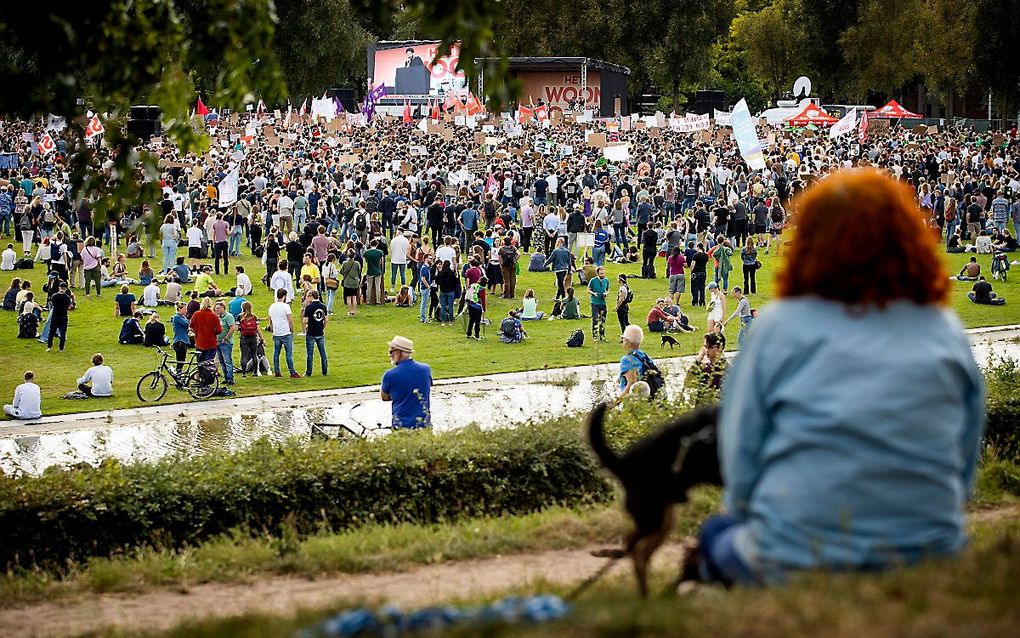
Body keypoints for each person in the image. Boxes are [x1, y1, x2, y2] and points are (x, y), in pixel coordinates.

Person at [695, 169, 984, 587]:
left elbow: (741, 458)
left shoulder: (780, 327)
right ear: (908, 240)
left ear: (811, 242)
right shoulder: (944, 330)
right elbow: (963, 462)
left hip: (797, 553)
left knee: (716, 535)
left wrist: (755, 515)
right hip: (927, 550)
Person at [380, 335, 432, 429]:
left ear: (399, 352)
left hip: (402, 426)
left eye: (391, 351)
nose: (389, 354)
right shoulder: (426, 369)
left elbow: (384, 397)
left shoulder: (390, 375)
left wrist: (399, 395)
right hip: (424, 425)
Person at [268, 288, 300, 377]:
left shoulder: (272, 306)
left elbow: (270, 321)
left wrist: (272, 330)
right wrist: (292, 330)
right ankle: (292, 372)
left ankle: (277, 371)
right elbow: (290, 320)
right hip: (285, 332)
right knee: (288, 353)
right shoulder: (286, 306)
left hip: (276, 332)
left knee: (276, 353)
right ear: (284, 296)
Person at [618, 324, 654, 398]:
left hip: (634, 401)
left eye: (623, 339)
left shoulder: (627, 360)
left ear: (627, 341)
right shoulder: (645, 356)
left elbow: (631, 384)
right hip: (647, 397)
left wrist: (612, 404)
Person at [189, 297, 221, 370]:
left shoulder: (196, 314)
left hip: (199, 342)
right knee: (208, 363)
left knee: (200, 363)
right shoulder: (214, 316)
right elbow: (219, 330)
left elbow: (191, 327)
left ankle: (201, 377)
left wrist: (197, 332)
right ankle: (208, 378)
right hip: (211, 343)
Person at [302, 290, 329, 376]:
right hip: (320, 332)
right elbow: (326, 319)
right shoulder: (323, 306)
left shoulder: (309, 307)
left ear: (311, 296)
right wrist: (322, 327)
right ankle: (324, 371)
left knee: (310, 354)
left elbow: (305, 320)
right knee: (323, 353)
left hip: (311, 333)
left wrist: (307, 325)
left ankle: (309, 372)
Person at [237, 301, 264, 377]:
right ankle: (255, 373)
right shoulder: (254, 317)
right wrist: (262, 338)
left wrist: (240, 329)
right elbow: (258, 328)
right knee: (254, 355)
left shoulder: (240, 317)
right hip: (253, 338)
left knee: (244, 356)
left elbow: (236, 328)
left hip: (244, 338)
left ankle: (244, 373)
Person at [214, 301, 236, 385]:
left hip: (226, 342)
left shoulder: (228, 316)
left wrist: (226, 338)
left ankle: (230, 378)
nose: (217, 310)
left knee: (227, 361)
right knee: (222, 361)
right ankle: (226, 377)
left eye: (218, 308)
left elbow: (232, 328)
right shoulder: (218, 317)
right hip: (218, 342)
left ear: (223, 308)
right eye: (216, 309)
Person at [47, 281, 72, 352]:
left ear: (59, 288)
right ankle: (61, 348)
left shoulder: (54, 296)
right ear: (65, 289)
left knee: (51, 332)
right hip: (63, 317)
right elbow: (69, 307)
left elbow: (52, 303)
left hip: (55, 316)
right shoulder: (67, 298)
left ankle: (49, 346)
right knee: (63, 333)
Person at [587, 265, 609, 340]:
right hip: (595, 303)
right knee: (595, 319)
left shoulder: (606, 280)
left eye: (603, 273)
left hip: (603, 303)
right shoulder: (593, 280)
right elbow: (588, 289)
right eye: (601, 274)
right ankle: (595, 336)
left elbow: (607, 289)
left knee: (603, 319)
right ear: (597, 273)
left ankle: (602, 335)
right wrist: (593, 293)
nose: (602, 275)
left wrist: (606, 293)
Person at [339, 249, 362, 316]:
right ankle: (354, 311)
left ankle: (350, 311)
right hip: (355, 282)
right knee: (354, 297)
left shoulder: (344, 263)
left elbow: (342, 272)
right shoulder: (357, 263)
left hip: (347, 282)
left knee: (348, 298)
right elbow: (359, 271)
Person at [170, 302, 191, 374]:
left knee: (182, 360)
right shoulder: (177, 317)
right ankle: (178, 374)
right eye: (184, 309)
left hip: (184, 340)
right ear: (179, 309)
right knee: (180, 360)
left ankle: (179, 373)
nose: (186, 311)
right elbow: (187, 324)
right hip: (180, 341)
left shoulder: (182, 317)